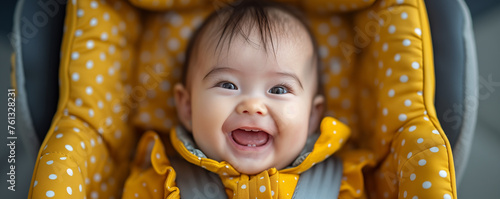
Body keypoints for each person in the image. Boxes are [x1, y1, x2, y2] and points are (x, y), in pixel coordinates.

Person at [123, 0, 350, 198]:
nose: (252, 106)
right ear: (187, 107)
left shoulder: (341, 185)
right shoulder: (161, 183)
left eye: (279, 90)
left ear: (311, 116)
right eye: (228, 85)